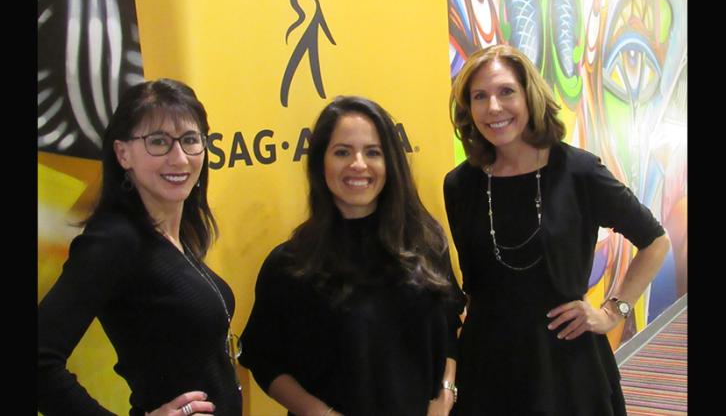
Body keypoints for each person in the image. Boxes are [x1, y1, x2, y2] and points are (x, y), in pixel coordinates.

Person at [444, 44, 670, 415]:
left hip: (566, 358)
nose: (494, 108)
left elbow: (655, 241)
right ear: (468, 108)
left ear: (529, 96)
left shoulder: (577, 171)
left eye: (506, 92)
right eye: (479, 96)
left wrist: (614, 310)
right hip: (488, 362)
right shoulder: (460, 184)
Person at [239, 96, 466, 416]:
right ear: (321, 163)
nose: (358, 164)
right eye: (342, 152)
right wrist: (322, 414)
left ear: (391, 162)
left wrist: (445, 396)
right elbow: (262, 357)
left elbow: (449, 326)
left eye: (373, 152)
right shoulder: (291, 264)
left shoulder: (427, 245)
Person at [38, 79, 243, 416]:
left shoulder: (177, 233)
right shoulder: (115, 240)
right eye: (158, 142)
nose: (179, 158)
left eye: (190, 140)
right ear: (123, 153)